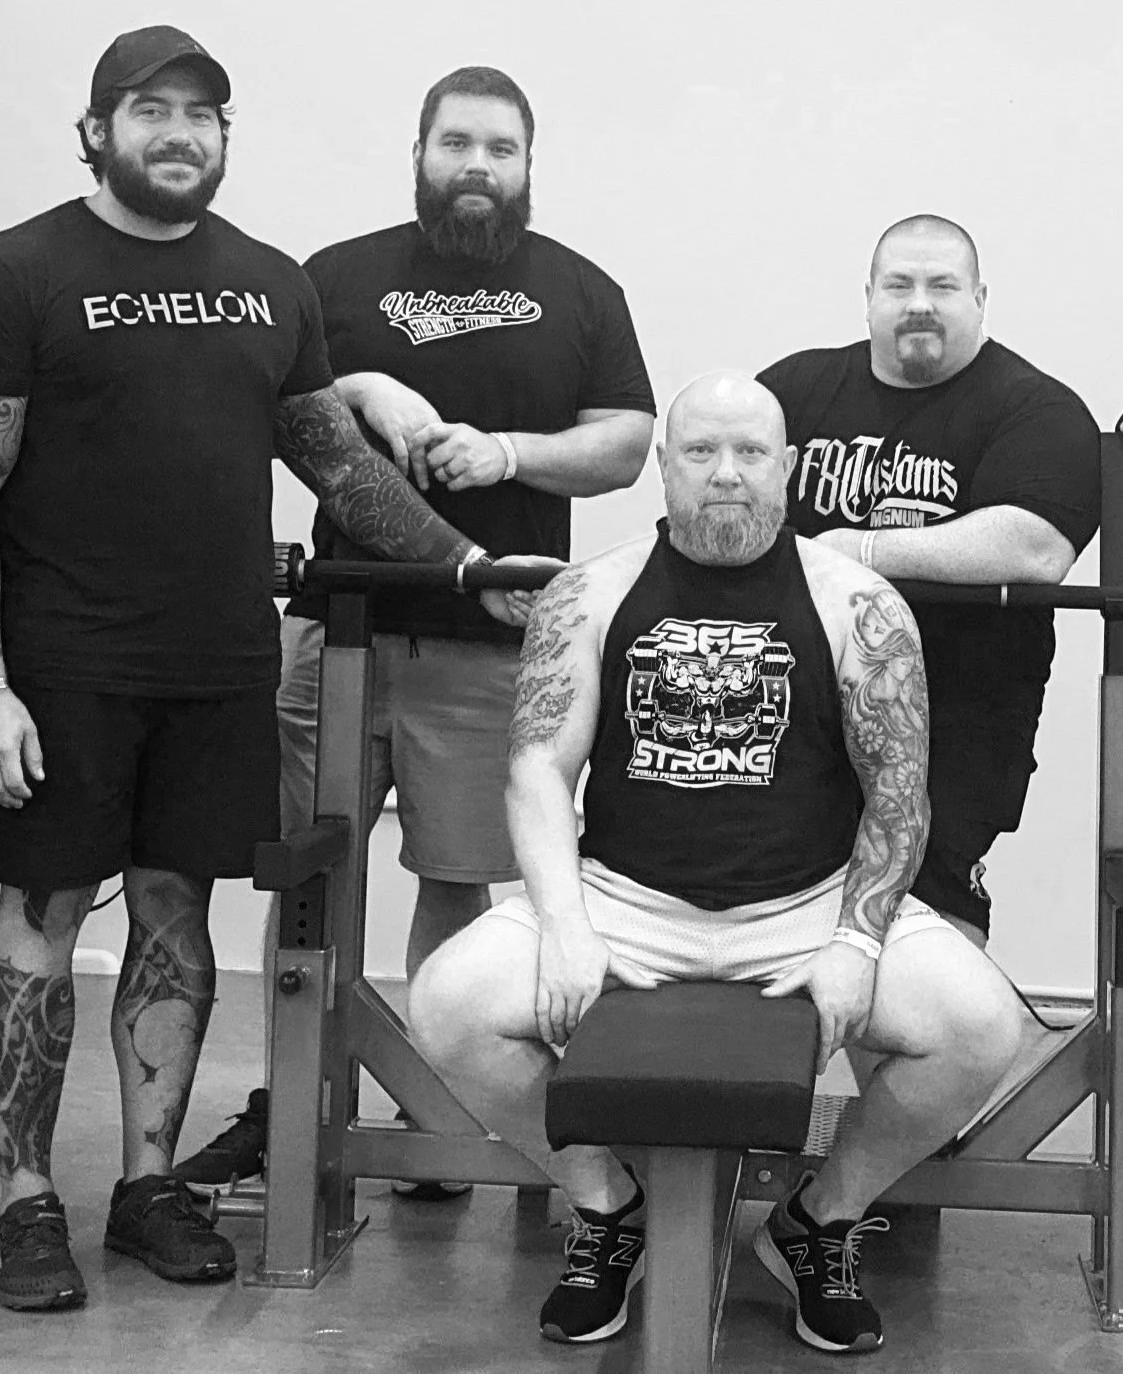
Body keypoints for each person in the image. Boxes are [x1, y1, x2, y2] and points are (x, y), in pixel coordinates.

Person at [0, 25, 519, 1313]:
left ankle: (146, 1186)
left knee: (176, 914)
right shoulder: (12, 271)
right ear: (95, 129)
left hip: (219, 660)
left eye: (201, 113)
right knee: (39, 915)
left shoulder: (268, 286)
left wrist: (467, 566)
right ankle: (26, 1202)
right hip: (61, 666)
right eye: (148, 110)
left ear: (224, 137)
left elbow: (335, 461)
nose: (177, 132)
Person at [407, 374, 1024, 1353]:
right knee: (443, 1005)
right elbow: (534, 769)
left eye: (747, 454)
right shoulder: (590, 593)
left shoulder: (856, 603)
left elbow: (898, 792)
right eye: (700, 452)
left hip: (810, 902)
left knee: (982, 1027)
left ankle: (818, 1220)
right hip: (621, 899)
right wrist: (563, 923)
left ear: (783, 469)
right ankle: (608, 1209)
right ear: (663, 466)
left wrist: (857, 944)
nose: (725, 475)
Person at [175, 64, 655, 1202]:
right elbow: (264, 403)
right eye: (455, 145)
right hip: (334, 634)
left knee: (458, 878)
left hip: (488, 638)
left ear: (529, 166)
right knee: (307, 879)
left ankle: (432, 1104)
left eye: (498, 148)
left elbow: (626, 441)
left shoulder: (579, 290)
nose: (476, 166)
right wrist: (367, 384)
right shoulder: (331, 278)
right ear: (419, 155)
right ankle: (294, 1102)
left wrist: (509, 454)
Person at [760, 214, 1100, 947]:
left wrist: (863, 549)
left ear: (980, 298)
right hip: (800, 701)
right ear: (868, 297)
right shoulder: (793, 389)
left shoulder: (1037, 408)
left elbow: (1036, 546)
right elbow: (718, 495)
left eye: (943, 285)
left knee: (925, 904)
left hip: (960, 714)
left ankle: (942, 1038)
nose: (920, 302)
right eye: (900, 284)